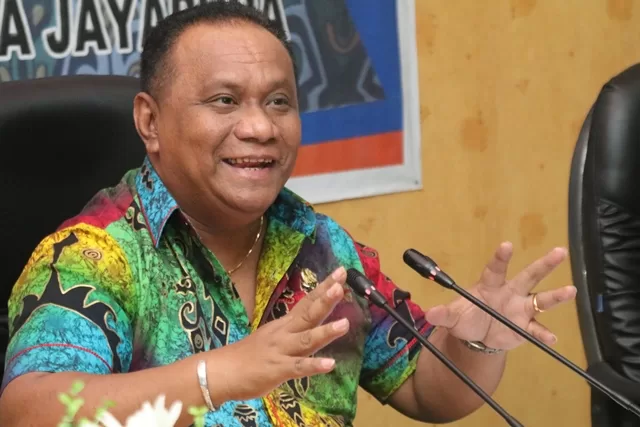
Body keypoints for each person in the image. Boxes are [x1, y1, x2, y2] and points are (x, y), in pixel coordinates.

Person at [0, 2, 577, 426]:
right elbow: (31, 411)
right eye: (225, 101)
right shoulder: (97, 255)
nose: (260, 127)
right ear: (150, 122)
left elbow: (428, 392)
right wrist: (220, 374)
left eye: (279, 101)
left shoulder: (322, 247)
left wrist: (475, 344)